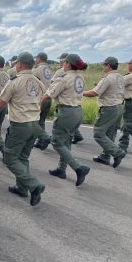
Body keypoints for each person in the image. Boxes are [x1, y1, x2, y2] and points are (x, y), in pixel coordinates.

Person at [0, 52, 46, 205]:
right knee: (23, 158)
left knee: (10, 158)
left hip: (21, 125)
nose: (15, 65)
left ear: (20, 64)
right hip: (34, 124)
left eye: (16, 63)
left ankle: (34, 185)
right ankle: (22, 187)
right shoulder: (38, 82)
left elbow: (0, 103)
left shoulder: (15, 81)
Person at [43, 54, 91, 186]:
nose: (62, 64)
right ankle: (61, 169)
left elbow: (49, 95)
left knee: (57, 142)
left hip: (66, 112)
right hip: (77, 111)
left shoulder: (63, 78)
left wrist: (35, 104)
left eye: (64, 62)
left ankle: (78, 167)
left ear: (68, 64)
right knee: (66, 141)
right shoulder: (79, 77)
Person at [83, 57, 127, 168]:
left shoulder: (108, 78)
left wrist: (80, 92)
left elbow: (94, 93)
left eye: (104, 65)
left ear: (108, 66)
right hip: (119, 106)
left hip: (109, 108)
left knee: (98, 133)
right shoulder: (120, 77)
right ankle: (105, 156)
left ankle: (117, 152)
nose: (103, 67)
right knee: (110, 133)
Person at [54, 52, 84, 145]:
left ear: (65, 62)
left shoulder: (60, 72)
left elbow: (53, 84)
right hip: (77, 105)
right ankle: (77, 135)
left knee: (58, 138)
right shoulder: (80, 76)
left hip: (64, 104)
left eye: (61, 60)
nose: (59, 62)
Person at [33, 52, 53, 150]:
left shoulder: (37, 69)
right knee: (42, 121)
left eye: (36, 58)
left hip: (40, 98)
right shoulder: (49, 69)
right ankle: (41, 141)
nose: (35, 60)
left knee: (34, 121)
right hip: (49, 97)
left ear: (39, 59)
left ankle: (44, 137)